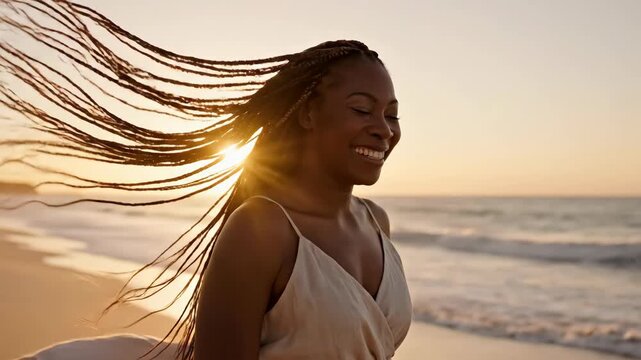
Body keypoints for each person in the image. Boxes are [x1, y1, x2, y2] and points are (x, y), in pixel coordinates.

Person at [1, 1, 413, 359]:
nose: (383, 129)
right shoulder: (262, 230)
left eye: (391, 115)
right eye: (361, 110)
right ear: (307, 115)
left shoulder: (376, 222)